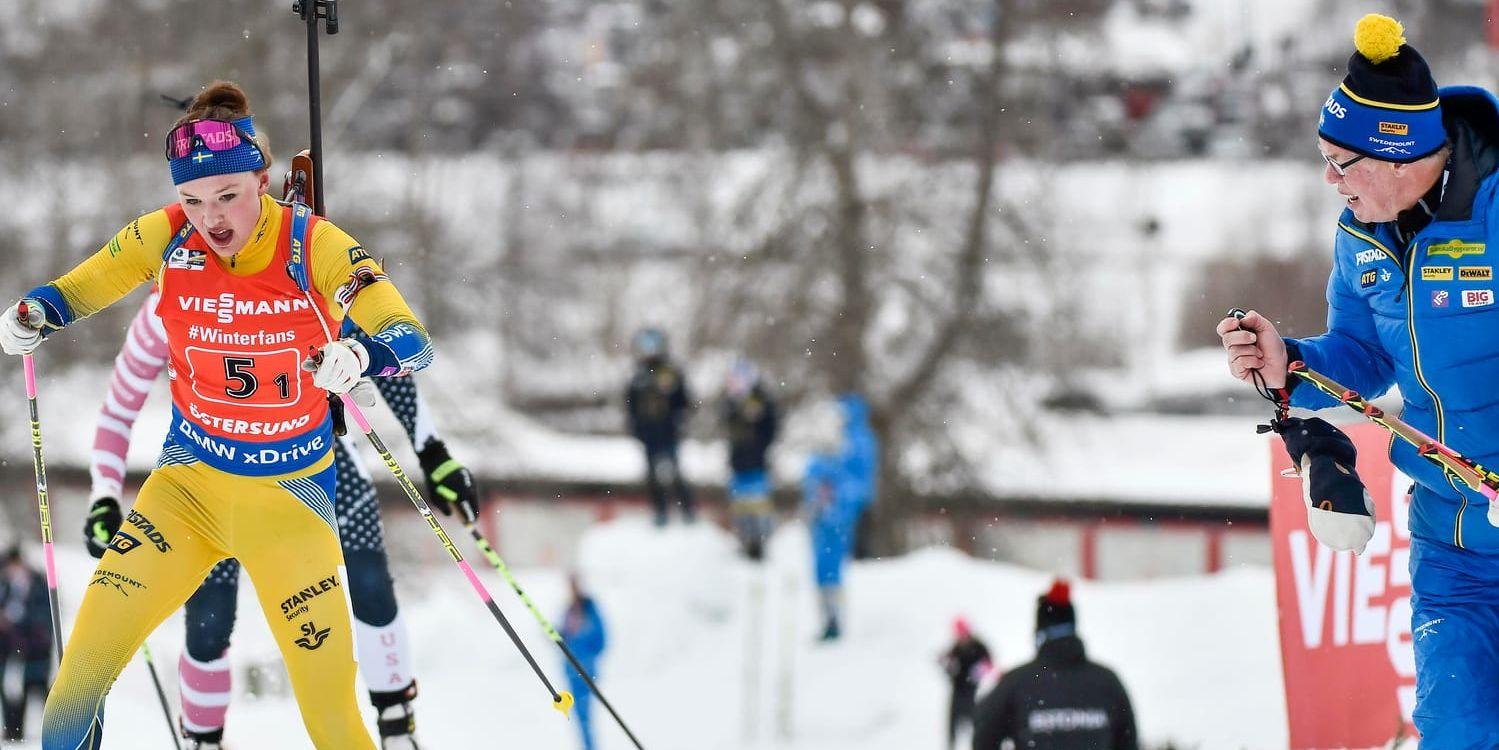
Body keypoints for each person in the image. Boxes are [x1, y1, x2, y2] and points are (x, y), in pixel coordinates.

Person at [0, 81, 433, 749]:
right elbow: (77, 289)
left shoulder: (310, 244)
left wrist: (361, 353)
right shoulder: (166, 237)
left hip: (290, 505)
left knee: (333, 722)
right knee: (76, 684)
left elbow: (411, 338)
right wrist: (34, 314)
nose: (212, 218)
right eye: (193, 200)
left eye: (228, 194)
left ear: (262, 180)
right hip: (187, 495)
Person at [1215, 13, 1499, 744]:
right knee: (1456, 728)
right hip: (1453, 544)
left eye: (1341, 162)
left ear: (1400, 159)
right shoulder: (1361, 232)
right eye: (1322, 157)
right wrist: (1290, 363)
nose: (1326, 179)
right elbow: (1361, 357)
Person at [84, 290, 478, 749]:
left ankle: (395, 725)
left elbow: (380, 353)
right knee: (209, 616)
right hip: (211, 473)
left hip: (309, 467)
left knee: (368, 578)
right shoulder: (166, 303)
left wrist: (432, 451)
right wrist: (104, 497)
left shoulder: (298, 281)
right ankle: (203, 737)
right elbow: (118, 408)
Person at [971, 580, 1136, 750]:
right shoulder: (1108, 682)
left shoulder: (1015, 684)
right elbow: (1129, 742)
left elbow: (984, 737)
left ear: (1039, 633)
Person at [802, 393, 878, 641]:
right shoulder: (832, 442)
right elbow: (813, 475)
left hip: (840, 518)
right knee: (821, 569)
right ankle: (826, 619)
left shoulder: (859, 442)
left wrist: (837, 505)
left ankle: (836, 620)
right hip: (823, 519)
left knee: (833, 567)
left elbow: (858, 484)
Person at [625, 327, 695, 526]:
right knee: (652, 475)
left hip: (669, 431)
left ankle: (687, 510)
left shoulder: (671, 373)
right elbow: (631, 405)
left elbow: (684, 401)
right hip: (649, 433)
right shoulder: (638, 376)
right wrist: (636, 427)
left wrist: (679, 420)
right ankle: (660, 512)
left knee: (675, 472)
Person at [720, 359, 779, 560]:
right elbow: (727, 425)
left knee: (759, 506)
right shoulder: (730, 402)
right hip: (738, 464)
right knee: (741, 507)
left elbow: (771, 427)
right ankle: (745, 542)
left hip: (757, 464)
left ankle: (761, 543)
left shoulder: (762, 400)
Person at [0, 546, 52, 742]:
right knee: (11, 690)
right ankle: (13, 730)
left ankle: (55, 727)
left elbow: (44, 612)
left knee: (37, 685)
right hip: (9, 646)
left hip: (34, 646)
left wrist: (28, 626)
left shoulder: (37, 582)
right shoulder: (4, 584)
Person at [558, 574, 607, 750]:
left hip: (586, 670)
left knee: (586, 716)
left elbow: (601, 639)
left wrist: (587, 657)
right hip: (570, 670)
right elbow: (563, 636)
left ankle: (590, 747)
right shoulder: (569, 610)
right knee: (578, 717)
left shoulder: (590, 608)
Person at [939, 616, 992, 750]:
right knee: (952, 727)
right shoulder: (955, 649)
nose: (962, 639)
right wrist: (947, 666)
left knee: (976, 725)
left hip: (973, 693)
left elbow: (989, 663)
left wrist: (979, 671)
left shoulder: (978, 646)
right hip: (957, 692)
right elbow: (947, 667)